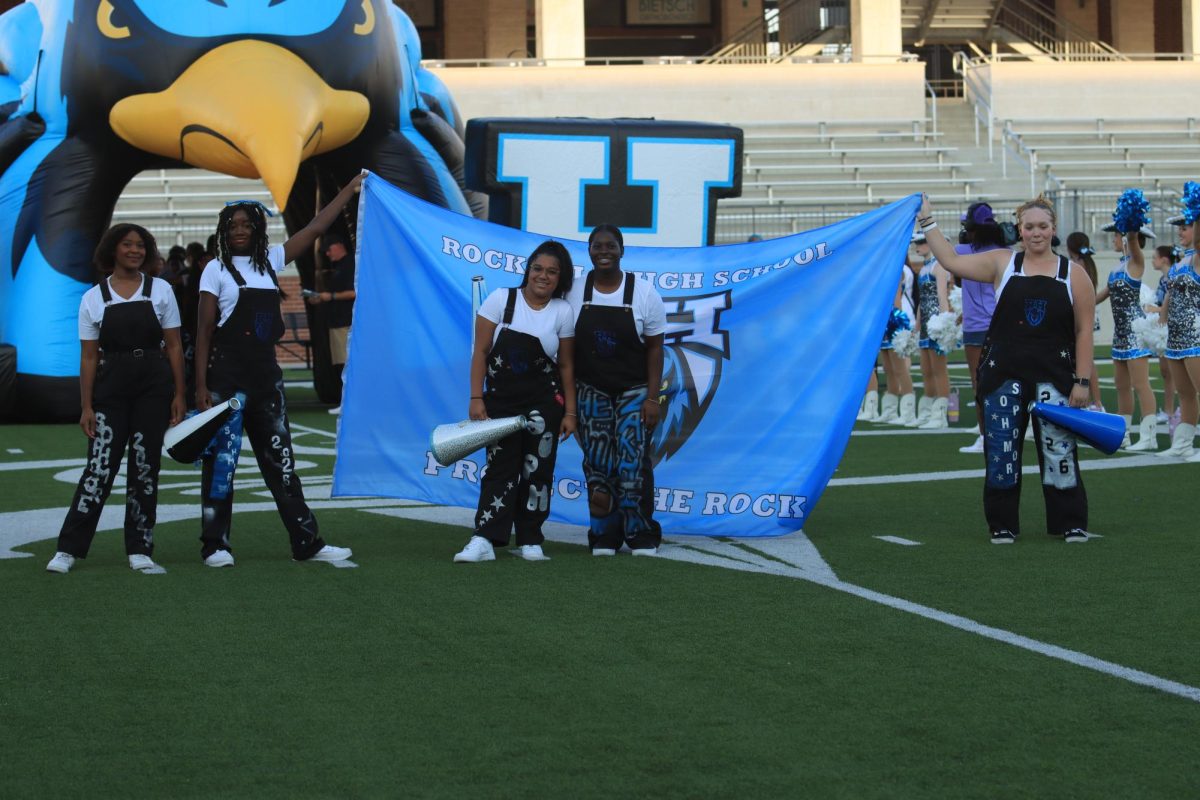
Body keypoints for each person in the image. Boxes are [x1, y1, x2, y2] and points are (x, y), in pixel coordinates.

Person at [193, 175, 364, 567]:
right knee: (222, 464)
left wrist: (349, 187)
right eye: (232, 224)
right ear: (223, 230)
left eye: (246, 224)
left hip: (266, 381)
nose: (239, 230)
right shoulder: (214, 270)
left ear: (258, 228)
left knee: (282, 465)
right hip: (226, 382)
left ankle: (307, 543)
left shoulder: (271, 260)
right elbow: (203, 332)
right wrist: (200, 386)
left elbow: (317, 226)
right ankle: (215, 546)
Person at [920, 194, 1095, 544]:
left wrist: (1083, 381)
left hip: (1056, 377)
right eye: (1029, 227)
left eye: (1042, 226)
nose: (1036, 233)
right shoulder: (1003, 263)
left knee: (1059, 451)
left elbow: (1084, 330)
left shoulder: (1073, 274)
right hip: (1003, 375)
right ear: (1019, 229)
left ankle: (1069, 521)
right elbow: (952, 261)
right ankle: (1002, 523)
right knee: (1001, 451)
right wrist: (928, 222)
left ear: (1053, 229)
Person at [45, 224, 187, 574]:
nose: (135, 251)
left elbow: (173, 345)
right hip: (111, 391)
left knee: (145, 469)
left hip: (153, 388)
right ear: (113, 250)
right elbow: (90, 357)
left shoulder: (162, 290)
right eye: (128, 244)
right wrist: (87, 405)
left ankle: (140, 548)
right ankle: (68, 549)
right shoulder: (93, 298)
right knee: (98, 469)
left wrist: (179, 394)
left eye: (141, 245)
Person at [454, 241, 577, 563]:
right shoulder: (501, 300)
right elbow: (480, 352)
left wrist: (570, 412)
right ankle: (484, 537)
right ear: (528, 270)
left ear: (560, 278)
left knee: (539, 472)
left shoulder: (563, 311)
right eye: (538, 268)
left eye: (552, 272)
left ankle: (530, 538)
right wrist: (476, 397)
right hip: (500, 403)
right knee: (499, 469)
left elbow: (565, 365)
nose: (543, 276)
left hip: (545, 405)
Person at [568, 224, 667, 556]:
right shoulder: (575, 291)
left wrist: (652, 398)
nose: (604, 251)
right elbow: (565, 349)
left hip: (634, 390)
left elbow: (655, 349)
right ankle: (604, 536)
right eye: (597, 246)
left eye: (611, 246)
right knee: (598, 463)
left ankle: (640, 533)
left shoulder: (644, 293)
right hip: (590, 391)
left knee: (632, 461)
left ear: (622, 250)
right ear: (589, 251)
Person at [1093, 224, 1158, 450]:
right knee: (1122, 385)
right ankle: (1124, 434)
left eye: (1116, 235)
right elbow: (1101, 296)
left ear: (1127, 238)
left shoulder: (1135, 264)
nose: (1113, 239)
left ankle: (1149, 437)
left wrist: (1130, 228)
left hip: (1135, 334)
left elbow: (1133, 243)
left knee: (1141, 385)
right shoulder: (1116, 268)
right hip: (1120, 335)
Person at [956, 203, 1010, 453]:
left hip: (977, 327)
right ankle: (1009, 430)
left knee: (979, 383)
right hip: (1002, 324)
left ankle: (985, 437)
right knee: (1006, 381)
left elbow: (952, 272)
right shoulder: (1006, 253)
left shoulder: (962, 251)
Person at [1157, 205, 1200, 459]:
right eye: (1179, 228)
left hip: (1196, 335)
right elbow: (1171, 293)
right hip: (1176, 337)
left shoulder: (1197, 258)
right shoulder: (1181, 261)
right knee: (1185, 393)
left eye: (1186, 227)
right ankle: (1183, 444)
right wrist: (1163, 315)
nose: (1180, 232)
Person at [304, 233, 356, 415]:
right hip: (337, 321)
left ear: (339, 246)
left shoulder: (350, 265)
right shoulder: (340, 266)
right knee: (343, 365)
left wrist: (330, 296)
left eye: (329, 249)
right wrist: (321, 299)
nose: (327, 254)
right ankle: (347, 402)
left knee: (348, 364)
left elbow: (354, 293)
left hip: (345, 322)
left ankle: (350, 404)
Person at [910, 231, 952, 429]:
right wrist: (916, 327)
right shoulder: (923, 269)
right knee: (926, 370)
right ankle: (928, 411)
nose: (916, 246)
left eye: (921, 242)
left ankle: (942, 414)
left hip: (936, 325)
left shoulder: (939, 267)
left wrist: (945, 323)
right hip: (926, 324)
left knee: (939, 370)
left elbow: (943, 297)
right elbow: (921, 302)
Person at [1144, 245, 1179, 426]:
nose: (1152, 260)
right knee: (1166, 373)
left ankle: (1175, 411)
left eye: (1154, 257)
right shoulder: (1162, 279)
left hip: (1175, 329)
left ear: (1164, 259)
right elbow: (1159, 302)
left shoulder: (1174, 276)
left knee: (1177, 373)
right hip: (1163, 330)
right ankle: (1169, 411)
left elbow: (1172, 303)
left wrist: (1155, 309)